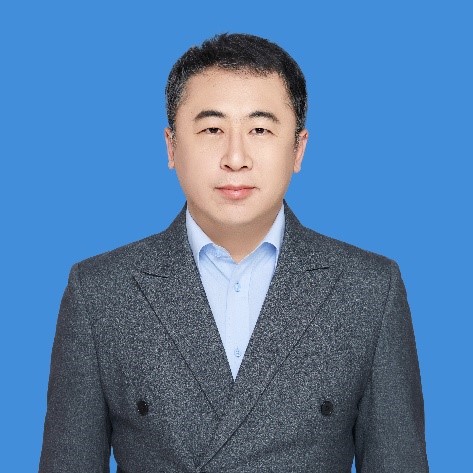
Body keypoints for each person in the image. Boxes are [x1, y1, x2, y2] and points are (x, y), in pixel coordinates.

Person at [39, 33, 429, 472]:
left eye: (260, 129)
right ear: (171, 146)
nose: (235, 157)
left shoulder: (368, 290)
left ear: (298, 149)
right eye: (212, 129)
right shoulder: (100, 292)